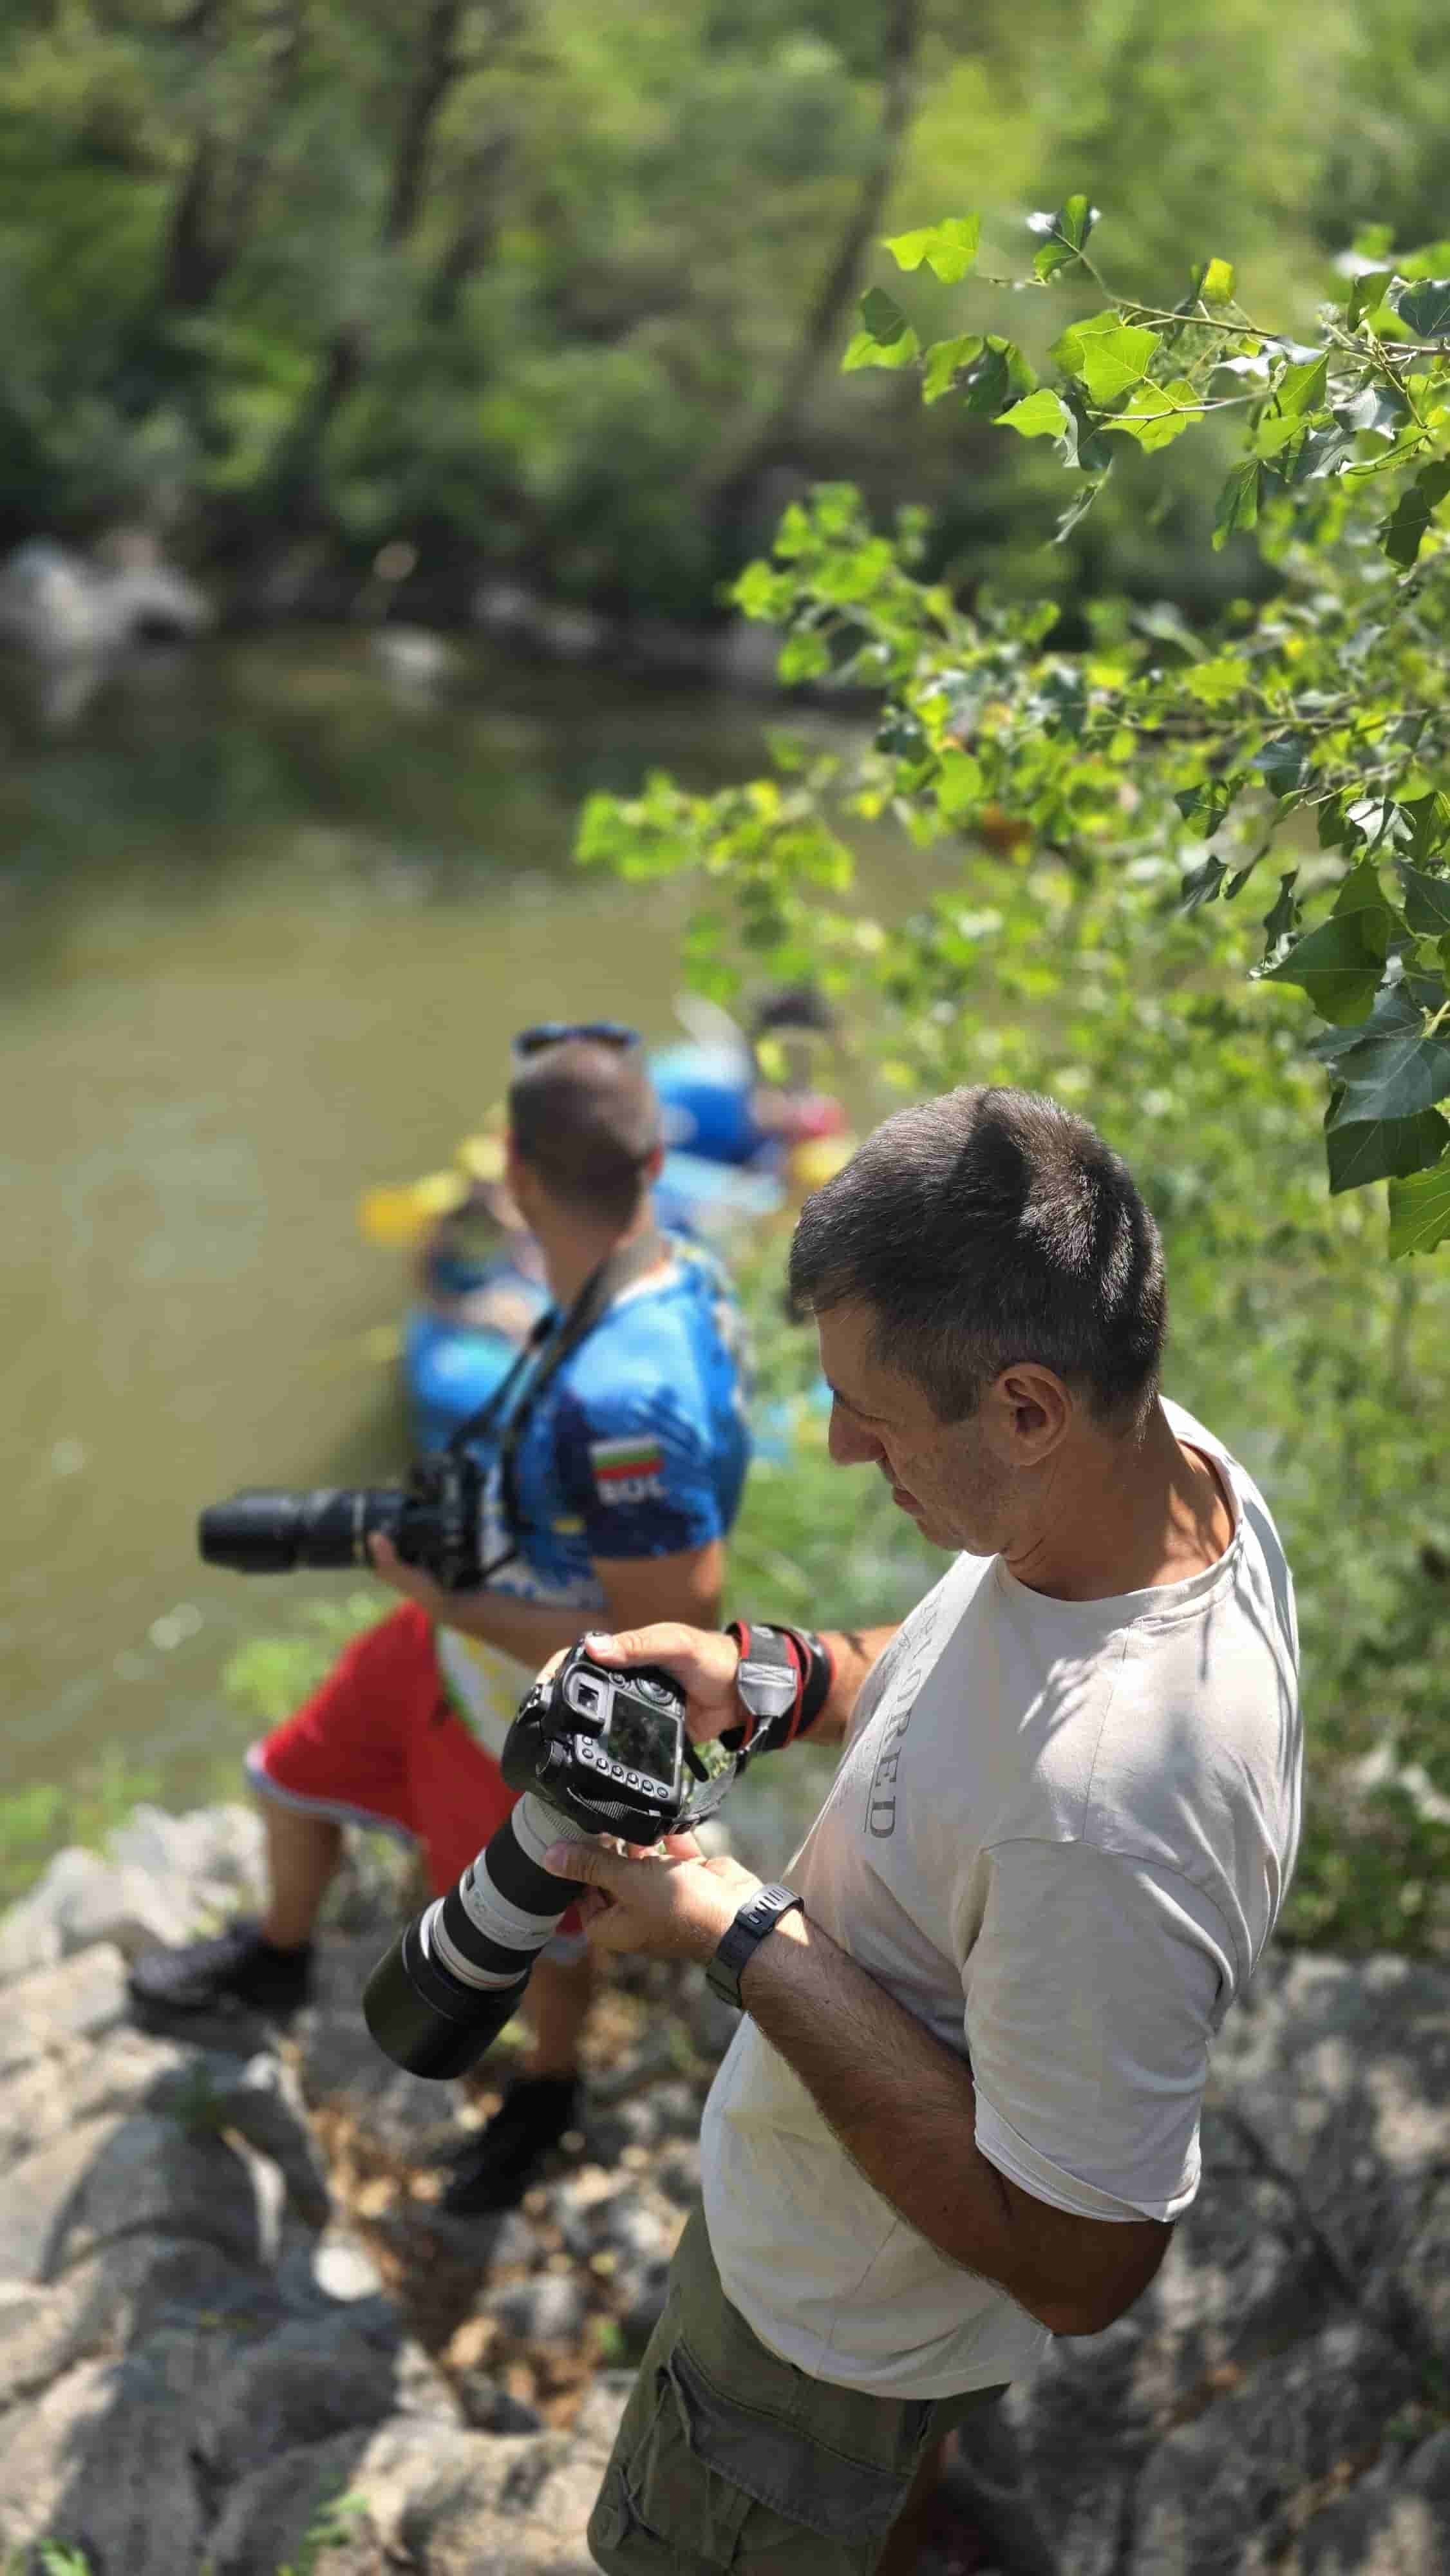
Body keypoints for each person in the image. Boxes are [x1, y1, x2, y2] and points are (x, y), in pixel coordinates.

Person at [527, 1084, 1303, 2576]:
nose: (828, 1444)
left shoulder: (1110, 1818)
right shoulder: (1144, 1467)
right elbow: (981, 1662)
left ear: (1023, 1405)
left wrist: (731, 1930)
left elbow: (1080, 2262)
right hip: (884, 2301)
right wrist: (779, 1674)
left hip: (826, 2339)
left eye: (867, 1414)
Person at [129, 1029, 751, 2213]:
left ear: (518, 1168)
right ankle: (276, 1959)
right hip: (461, 1635)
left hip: (537, 1698)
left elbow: (667, 1641)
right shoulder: (649, 1273)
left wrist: (452, 1599)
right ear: (657, 1160)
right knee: (289, 1777)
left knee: (543, 1939)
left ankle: (548, 2093)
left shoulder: (630, 1395)